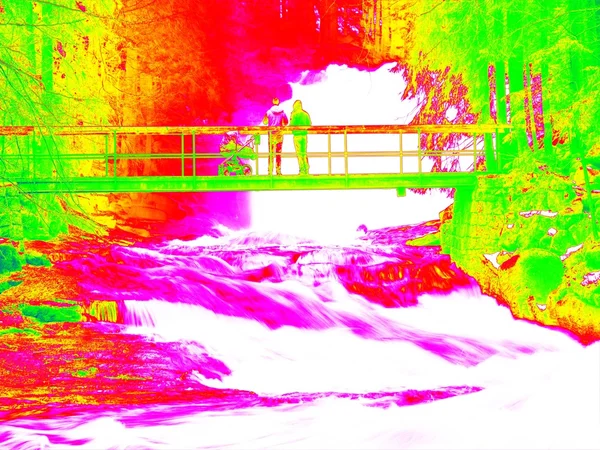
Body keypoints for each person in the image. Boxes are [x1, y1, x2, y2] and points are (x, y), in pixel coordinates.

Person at [262, 98, 289, 175]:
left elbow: (264, 122)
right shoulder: (282, 112)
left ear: (273, 102)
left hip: (271, 135)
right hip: (279, 135)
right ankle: (278, 171)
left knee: (270, 153)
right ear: (278, 103)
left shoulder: (269, 112)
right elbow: (286, 122)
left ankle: (270, 171)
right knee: (278, 153)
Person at [289, 100, 312, 175]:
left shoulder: (295, 114)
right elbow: (309, 124)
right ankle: (307, 168)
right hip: (304, 136)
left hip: (297, 135)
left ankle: (302, 170)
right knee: (304, 152)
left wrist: (291, 117)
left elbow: (291, 125)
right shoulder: (305, 114)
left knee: (299, 153)